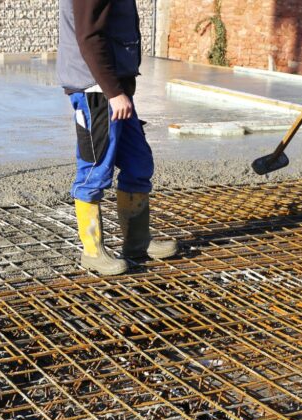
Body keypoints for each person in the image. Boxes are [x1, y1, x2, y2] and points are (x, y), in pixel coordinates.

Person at [57, 0, 177, 275]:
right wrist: (113, 92)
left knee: (138, 162)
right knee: (95, 167)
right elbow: (88, 36)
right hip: (96, 90)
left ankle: (137, 241)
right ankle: (92, 252)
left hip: (114, 87)